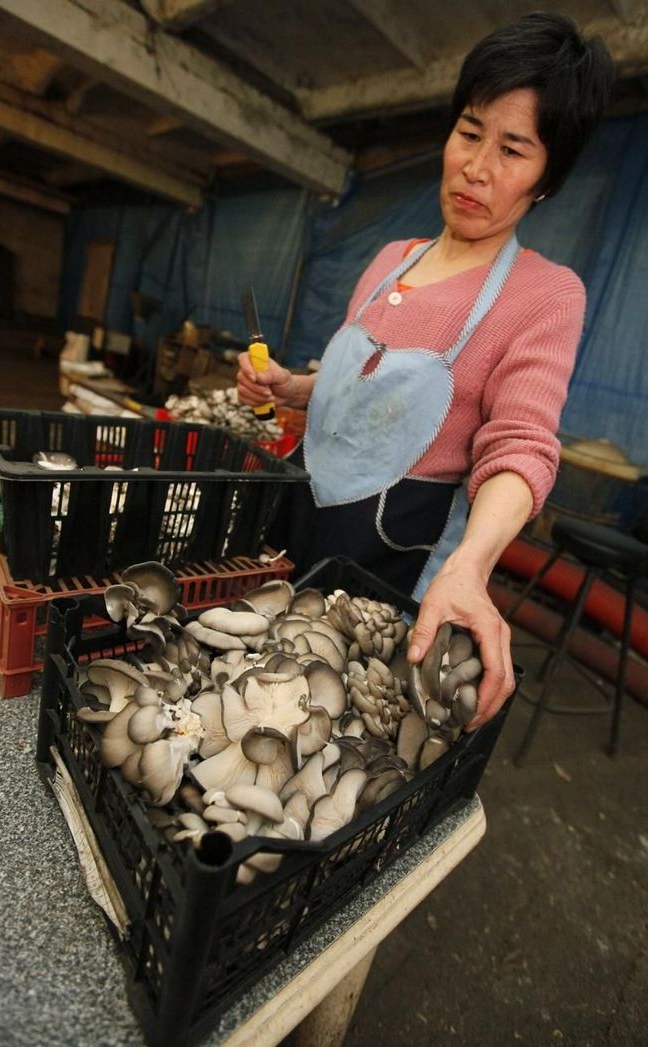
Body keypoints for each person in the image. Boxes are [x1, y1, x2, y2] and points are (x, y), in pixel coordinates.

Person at [237, 13, 614, 732]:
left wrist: (470, 564)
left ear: (547, 180)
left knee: (321, 722)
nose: (477, 167)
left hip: (386, 560)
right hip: (296, 515)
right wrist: (294, 388)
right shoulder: (390, 260)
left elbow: (521, 444)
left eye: (512, 150)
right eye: (470, 133)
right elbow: (361, 383)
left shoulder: (545, 294)